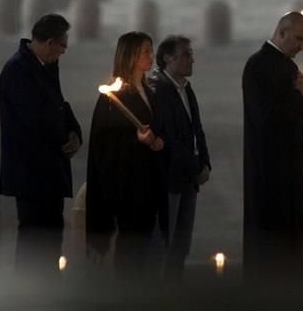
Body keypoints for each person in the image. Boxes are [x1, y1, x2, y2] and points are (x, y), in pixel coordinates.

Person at [0, 13, 82, 274]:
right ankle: (30, 291)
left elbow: (59, 104)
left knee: (52, 235)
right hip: (31, 171)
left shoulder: (46, 65)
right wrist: (64, 137)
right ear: (49, 42)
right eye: (62, 45)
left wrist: (75, 132)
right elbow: (35, 117)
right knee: (34, 238)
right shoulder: (18, 69)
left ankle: (48, 289)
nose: (63, 51)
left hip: (50, 169)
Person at [86, 31, 167, 278]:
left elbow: (158, 128)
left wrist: (159, 141)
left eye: (151, 50)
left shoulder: (149, 92)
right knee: (131, 251)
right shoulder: (113, 98)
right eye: (146, 51)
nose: (151, 55)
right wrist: (136, 140)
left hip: (150, 182)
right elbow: (104, 146)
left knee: (147, 251)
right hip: (129, 185)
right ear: (130, 55)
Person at [242, 12, 303, 279]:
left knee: (290, 244)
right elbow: (265, 118)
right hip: (267, 170)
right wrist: (299, 96)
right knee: (269, 246)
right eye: (298, 39)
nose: (302, 46)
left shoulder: (288, 66)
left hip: (290, 168)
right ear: (282, 32)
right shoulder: (257, 66)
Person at [149, 35, 211, 280]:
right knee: (164, 243)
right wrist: (196, 166)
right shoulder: (159, 90)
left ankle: (174, 290)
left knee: (181, 244)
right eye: (186, 54)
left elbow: (197, 129)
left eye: (191, 54)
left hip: (188, 179)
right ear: (167, 58)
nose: (192, 60)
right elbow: (168, 137)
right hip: (170, 178)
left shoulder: (185, 87)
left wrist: (205, 162)